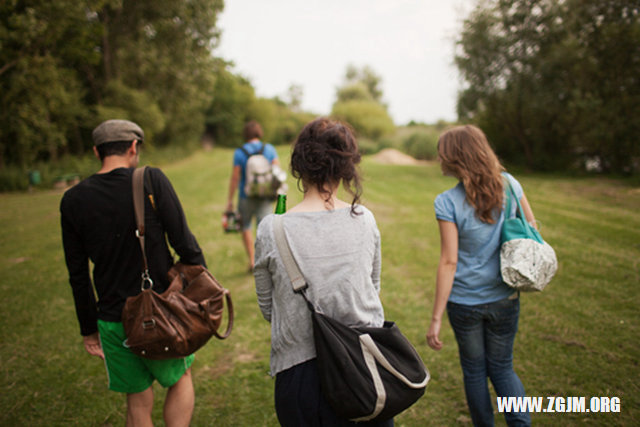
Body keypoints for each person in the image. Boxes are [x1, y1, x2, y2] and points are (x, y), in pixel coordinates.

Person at [60, 119, 206, 427]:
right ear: (133, 147)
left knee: (137, 399)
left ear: (96, 151)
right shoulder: (150, 179)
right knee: (180, 379)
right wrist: (201, 292)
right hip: (160, 312)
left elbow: (78, 274)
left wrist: (89, 328)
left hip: (113, 318)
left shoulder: (72, 199)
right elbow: (184, 242)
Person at [253, 118, 393, 426]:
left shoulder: (271, 229)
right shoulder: (365, 220)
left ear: (299, 165)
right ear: (346, 167)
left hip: (301, 375)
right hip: (365, 366)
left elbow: (269, 310)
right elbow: (372, 287)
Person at [426, 125, 534, 426]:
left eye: (442, 153)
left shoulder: (446, 202)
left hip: (465, 303)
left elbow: (449, 261)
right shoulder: (511, 185)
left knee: (474, 371)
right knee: (502, 368)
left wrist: (435, 318)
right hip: (505, 296)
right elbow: (532, 228)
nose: (439, 158)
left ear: (456, 158)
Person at [226, 120, 280, 272]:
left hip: (246, 195)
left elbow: (235, 177)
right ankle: (267, 261)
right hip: (264, 194)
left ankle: (252, 261)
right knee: (265, 229)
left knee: (245, 227)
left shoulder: (239, 152)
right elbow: (277, 170)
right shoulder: (269, 149)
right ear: (259, 133)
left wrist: (230, 200)